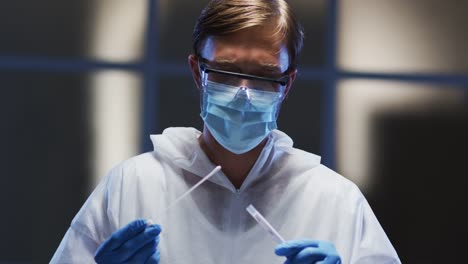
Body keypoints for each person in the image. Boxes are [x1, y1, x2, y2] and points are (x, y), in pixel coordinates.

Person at [51, 0, 400, 263]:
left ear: (287, 83)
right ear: (196, 70)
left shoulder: (336, 201)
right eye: (227, 72)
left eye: (263, 75)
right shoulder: (133, 186)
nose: (243, 93)